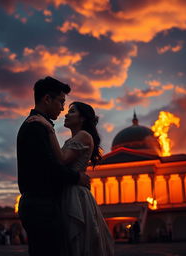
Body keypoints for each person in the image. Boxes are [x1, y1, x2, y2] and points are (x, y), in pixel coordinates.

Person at [28, 101, 114, 256]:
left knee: (76, 241)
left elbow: (61, 160)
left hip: (75, 194)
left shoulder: (84, 135)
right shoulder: (73, 139)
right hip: (69, 190)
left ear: (82, 118)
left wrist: (49, 128)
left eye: (72, 111)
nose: (66, 114)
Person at [17, 76, 90, 256]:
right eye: (60, 101)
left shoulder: (39, 124)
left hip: (41, 203)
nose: (62, 108)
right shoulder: (36, 126)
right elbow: (49, 167)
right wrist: (77, 177)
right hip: (40, 204)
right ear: (47, 99)